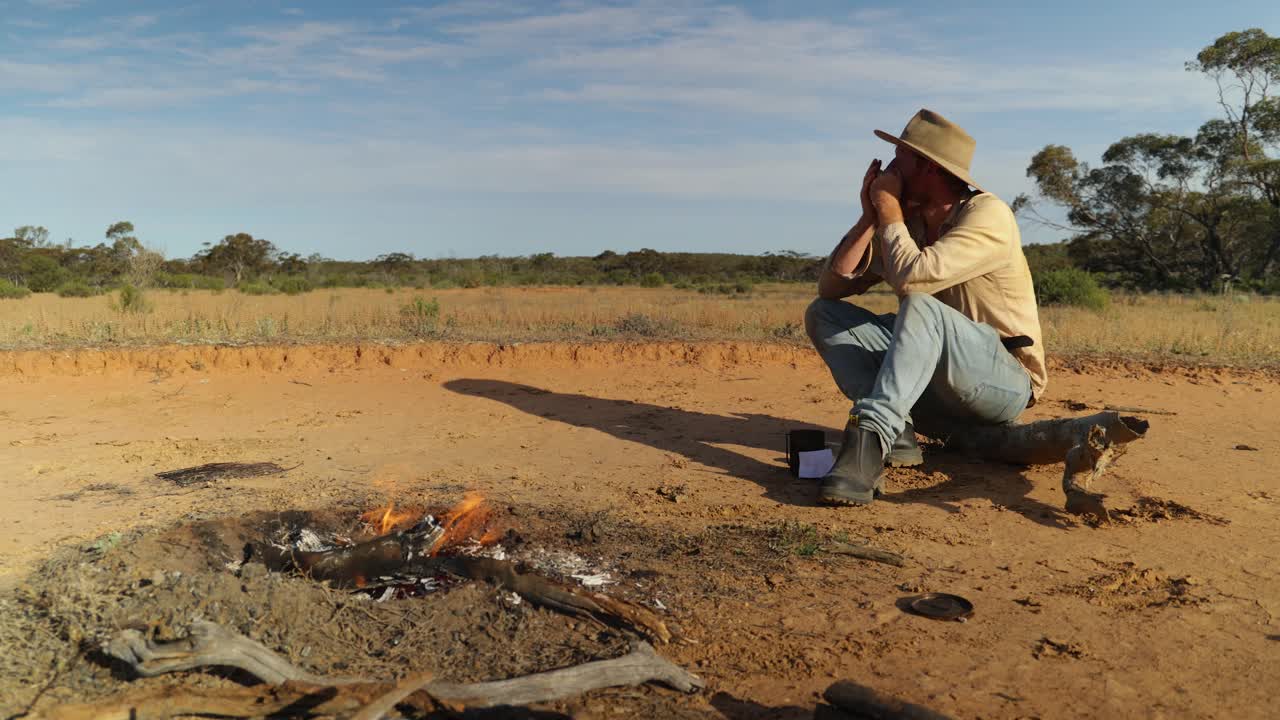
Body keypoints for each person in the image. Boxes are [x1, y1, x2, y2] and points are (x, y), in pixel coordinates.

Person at [806, 109, 1046, 506]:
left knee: (918, 304)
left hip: (1001, 383)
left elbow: (915, 279)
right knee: (823, 314)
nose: (890, 170)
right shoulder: (909, 222)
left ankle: (870, 440)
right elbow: (831, 287)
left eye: (901, 160)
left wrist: (887, 206)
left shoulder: (988, 214)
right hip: (933, 388)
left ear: (929, 168)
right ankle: (897, 428)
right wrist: (871, 217)